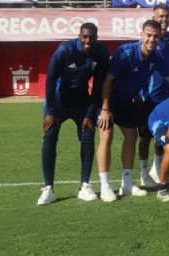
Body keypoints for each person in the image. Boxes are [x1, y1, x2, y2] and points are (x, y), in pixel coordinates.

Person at [97, 20, 169, 202]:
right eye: (149, 35)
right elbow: (107, 81)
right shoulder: (125, 52)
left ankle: (126, 184)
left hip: (126, 101)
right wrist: (105, 109)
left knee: (131, 136)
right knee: (106, 137)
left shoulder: (156, 58)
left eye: (156, 36)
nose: (152, 39)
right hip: (107, 100)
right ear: (142, 34)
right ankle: (105, 186)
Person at [38, 23, 109, 205]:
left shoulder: (100, 53)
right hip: (58, 101)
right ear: (79, 36)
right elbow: (50, 80)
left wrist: (90, 113)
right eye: (85, 37)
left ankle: (84, 185)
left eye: (92, 37)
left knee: (87, 136)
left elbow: (98, 86)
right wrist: (51, 112)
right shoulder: (64, 50)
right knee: (50, 136)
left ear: (96, 37)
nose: (88, 41)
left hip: (82, 102)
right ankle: (48, 188)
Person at [137, 4, 169, 187]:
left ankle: (156, 168)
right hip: (147, 98)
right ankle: (143, 173)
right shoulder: (146, 42)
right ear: (154, 17)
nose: (164, 19)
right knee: (144, 137)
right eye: (161, 16)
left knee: (163, 136)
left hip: (166, 99)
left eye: (167, 16)